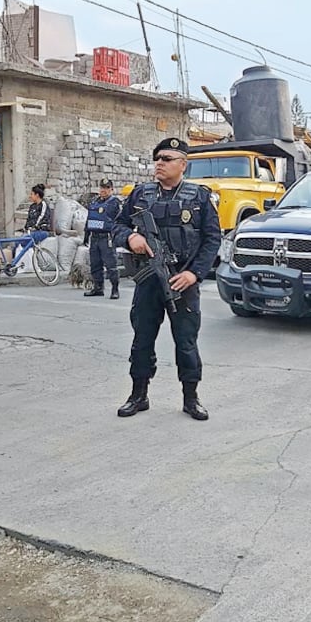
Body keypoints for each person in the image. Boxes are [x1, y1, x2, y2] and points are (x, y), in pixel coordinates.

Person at [110, 137, 221, 421]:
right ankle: (138, 395)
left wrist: (194, 273)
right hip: (148, 279)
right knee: (142, 339)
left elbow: (212, 239)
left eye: (167, 159)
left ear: (183, 165)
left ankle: (191, 397)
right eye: (157, 158)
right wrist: (131, 236)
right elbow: (118, 226)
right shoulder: (140, 194)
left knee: (186, 342)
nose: (159, 163)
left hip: (182, 281)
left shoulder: (199, 197)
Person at [84, 178, 122, 299]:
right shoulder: (95, 202)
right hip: (94, 237)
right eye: (101, 188)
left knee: (111, 265)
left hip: (107, 238)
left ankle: (115, 289)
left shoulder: (115, 203)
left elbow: (119, 221)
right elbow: (89, 219)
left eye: (106, 188)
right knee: (95, 264)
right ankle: (98, 288)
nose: (103, 190)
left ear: (111, 189)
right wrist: (86, 235)